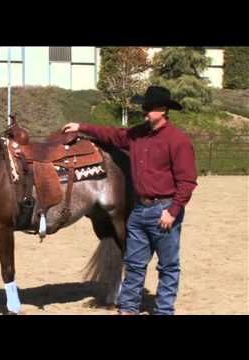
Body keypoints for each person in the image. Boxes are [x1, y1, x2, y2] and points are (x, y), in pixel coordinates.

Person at [62, 86, 198, 315]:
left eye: (148, 108)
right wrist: (81, 127)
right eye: (143, 107)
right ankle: (129, 307)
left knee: (168, 266)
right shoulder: (137, 134)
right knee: (133, 264)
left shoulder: (178, 140)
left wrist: (173, 211)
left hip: (164, 210)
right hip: (139, 211)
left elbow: (188, 181)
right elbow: (112, 134)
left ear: (163, 110)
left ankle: (164, 310)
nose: (144, 112)